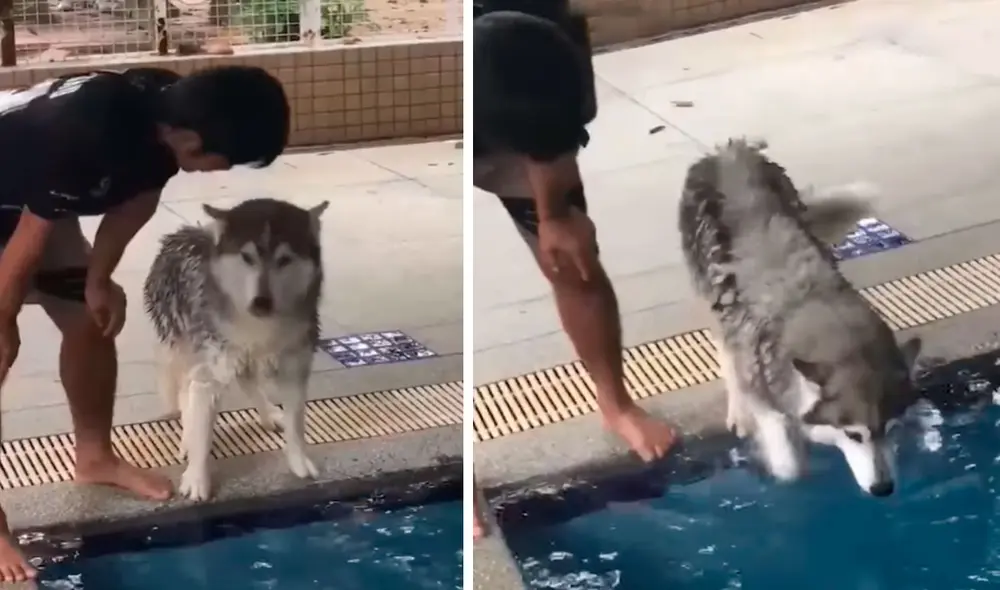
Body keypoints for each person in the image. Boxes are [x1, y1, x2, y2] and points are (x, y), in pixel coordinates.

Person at [0, 65, 289, 582]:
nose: (223, 171)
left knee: (90, 319)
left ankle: (94, 457)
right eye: (230, 160)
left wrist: (99, 277)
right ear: (196, 141)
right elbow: (26, 242)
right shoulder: (84, 132)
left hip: (29, 194)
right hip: (19, 198)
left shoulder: (167, 107)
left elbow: (138, 197)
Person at [472, 4, 677, 538]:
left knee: (573, 263)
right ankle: (460, 476)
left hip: (512, 76)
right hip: (461, 110)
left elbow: (552, 138)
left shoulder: (545, 50)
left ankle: (616, 404)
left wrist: (556, 215)